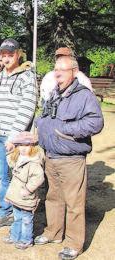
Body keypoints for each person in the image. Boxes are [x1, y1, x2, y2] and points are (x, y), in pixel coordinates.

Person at [34, 55, 104, 260]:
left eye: (62, 70)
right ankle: (53, 233)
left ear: (74, 72)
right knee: (53, 197)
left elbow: (96, 122)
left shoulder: (84, 96)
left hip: (71, 158)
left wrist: (66, 130)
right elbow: (45, 116)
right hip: (51, 156)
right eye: (56, 70)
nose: (57, 74)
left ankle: (74, 243)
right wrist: (39, 127)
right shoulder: (55, 93)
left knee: (74, 203)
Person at [0, 38, 38, 229]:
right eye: (4, 55)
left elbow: (27, 107)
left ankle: (19, 214)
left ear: (18, 54)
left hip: (13, 137)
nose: (6, 59)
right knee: (1, 176)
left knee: (18, 176)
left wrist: (14, 136)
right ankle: (6, 211)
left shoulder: (27, 76)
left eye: (10, 55)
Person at [3, 132, 44, 250]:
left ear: (33, 146)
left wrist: (28, 189)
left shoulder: (34, 162)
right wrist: (10, 150)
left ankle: (26, 240)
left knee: (26, 219)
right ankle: (15, 236)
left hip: (26, 197)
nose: (23, 149)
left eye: (27, 146)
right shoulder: (18, 157)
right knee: (17, 217)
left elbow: (38, 177)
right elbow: (10, 162)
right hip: (16, 196)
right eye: (20, 145)